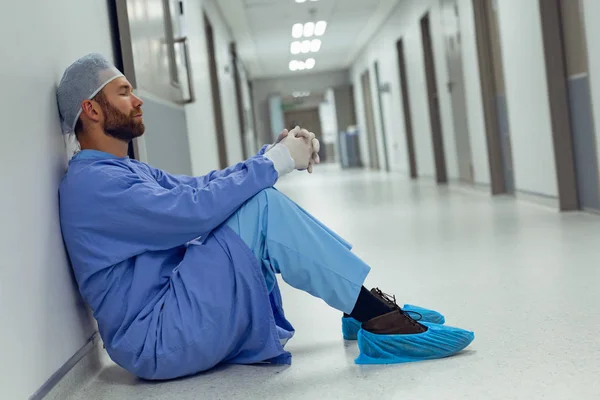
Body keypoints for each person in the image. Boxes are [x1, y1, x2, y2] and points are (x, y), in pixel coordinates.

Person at [56, 54, 474, 381]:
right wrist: (274, 164)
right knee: (261, 206)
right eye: (124, 92)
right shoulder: (94, 185)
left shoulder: (124, 171)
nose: (138, 99)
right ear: (92, 110)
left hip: (173, 311)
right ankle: (373, 317)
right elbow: (192, 212)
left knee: (252, 199)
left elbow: (200, 187)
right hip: (158, 338)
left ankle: (358, 308)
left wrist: (269, 155)